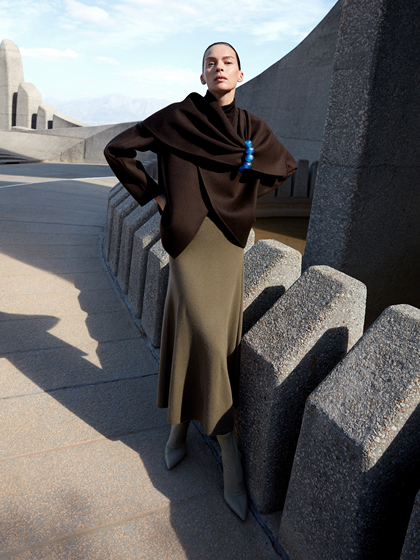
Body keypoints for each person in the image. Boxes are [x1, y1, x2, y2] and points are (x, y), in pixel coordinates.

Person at [104, 42, 297, 521]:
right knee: (207, 339)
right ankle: (226, 444)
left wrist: (245, 194)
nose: (219, 67)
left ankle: (180, 424)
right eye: (211, 62)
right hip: (188, 241)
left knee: (210, 339)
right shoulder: (178, 117)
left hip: (228, 242)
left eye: (227, 62)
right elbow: (118, 150)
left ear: (240, 73)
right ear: (202, 74)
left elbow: (284, 165)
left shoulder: (250, 127)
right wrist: (155, 195)